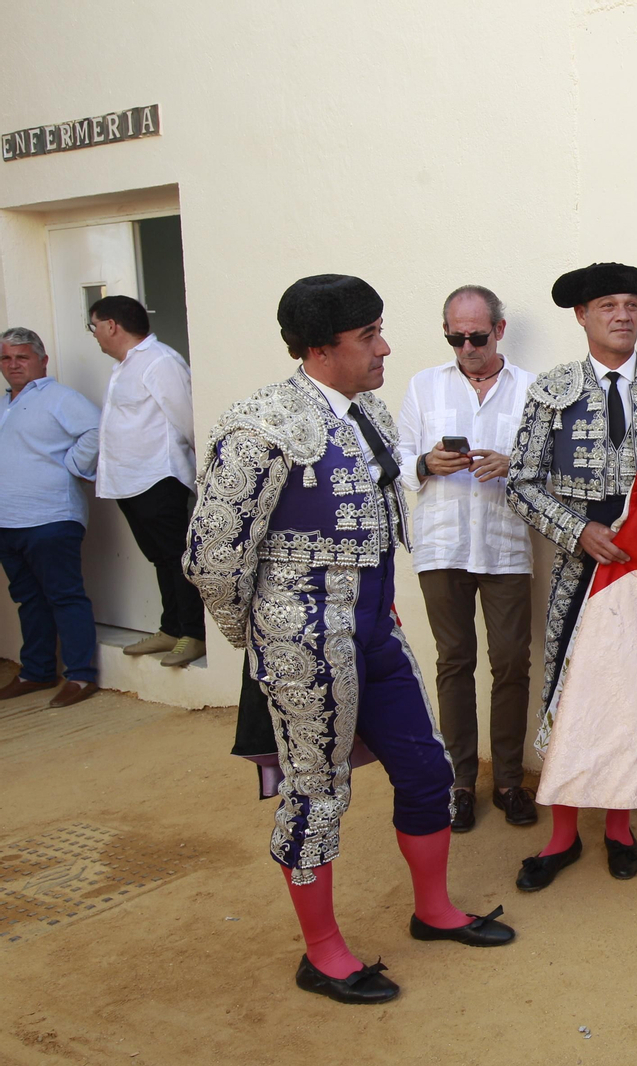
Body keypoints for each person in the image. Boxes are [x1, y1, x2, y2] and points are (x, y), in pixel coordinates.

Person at [184, 274, 514, 1005]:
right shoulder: (261, 424)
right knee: (315, 791)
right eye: (368, 336)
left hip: (372, 625)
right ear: (319, 348)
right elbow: (212, 558)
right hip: (301, 634)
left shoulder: (364, 409)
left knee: (427, 769)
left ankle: (433, 911)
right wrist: (261, 636)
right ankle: (322, 952)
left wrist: (380, 609)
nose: (384, 347)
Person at [505, 262, 637, 890]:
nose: (623, 315)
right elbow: (519, 484)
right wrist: (577, 530)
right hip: (581, 562)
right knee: (570, 686)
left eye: (630, 304)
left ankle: (621, 827)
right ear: (582, 316)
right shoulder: (552, 390)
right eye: (608, 305)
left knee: (628, 686)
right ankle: (564, 834)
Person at [397, 285, 538, 832]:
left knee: (510, 662)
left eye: (477, 336)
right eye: (456, 337)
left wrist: (513, 465)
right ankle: (458, 782)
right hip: (442, 544)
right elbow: (398, 462)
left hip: (504, 544)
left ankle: (507, 780)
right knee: (453, 662)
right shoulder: (424, 386)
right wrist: (429, 463)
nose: (467, 347)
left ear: (499, 330)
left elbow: (549, 467)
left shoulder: (532, 389)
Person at [89, 294, 205, 667]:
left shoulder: (160, 362)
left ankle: (194, 634)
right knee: (161, 558)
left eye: (94, 327)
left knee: (176, 557)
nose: (94, 335)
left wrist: (201, 474)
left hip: (158, 478)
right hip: (130, 481)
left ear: (111, 325)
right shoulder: (126, 366)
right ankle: (172, 628)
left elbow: (187, 419)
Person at [0, 328, 101, 707]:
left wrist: (73, 465)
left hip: (50, 518)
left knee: (64, 596)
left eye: (21, 357)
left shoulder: (59, 397)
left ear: (42, 360)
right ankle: (36, 672)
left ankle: (80, 676)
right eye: (6, 358)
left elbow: (95, 428)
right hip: (7, 521)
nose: (13, 365)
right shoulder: (5, 404)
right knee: (28, 599)